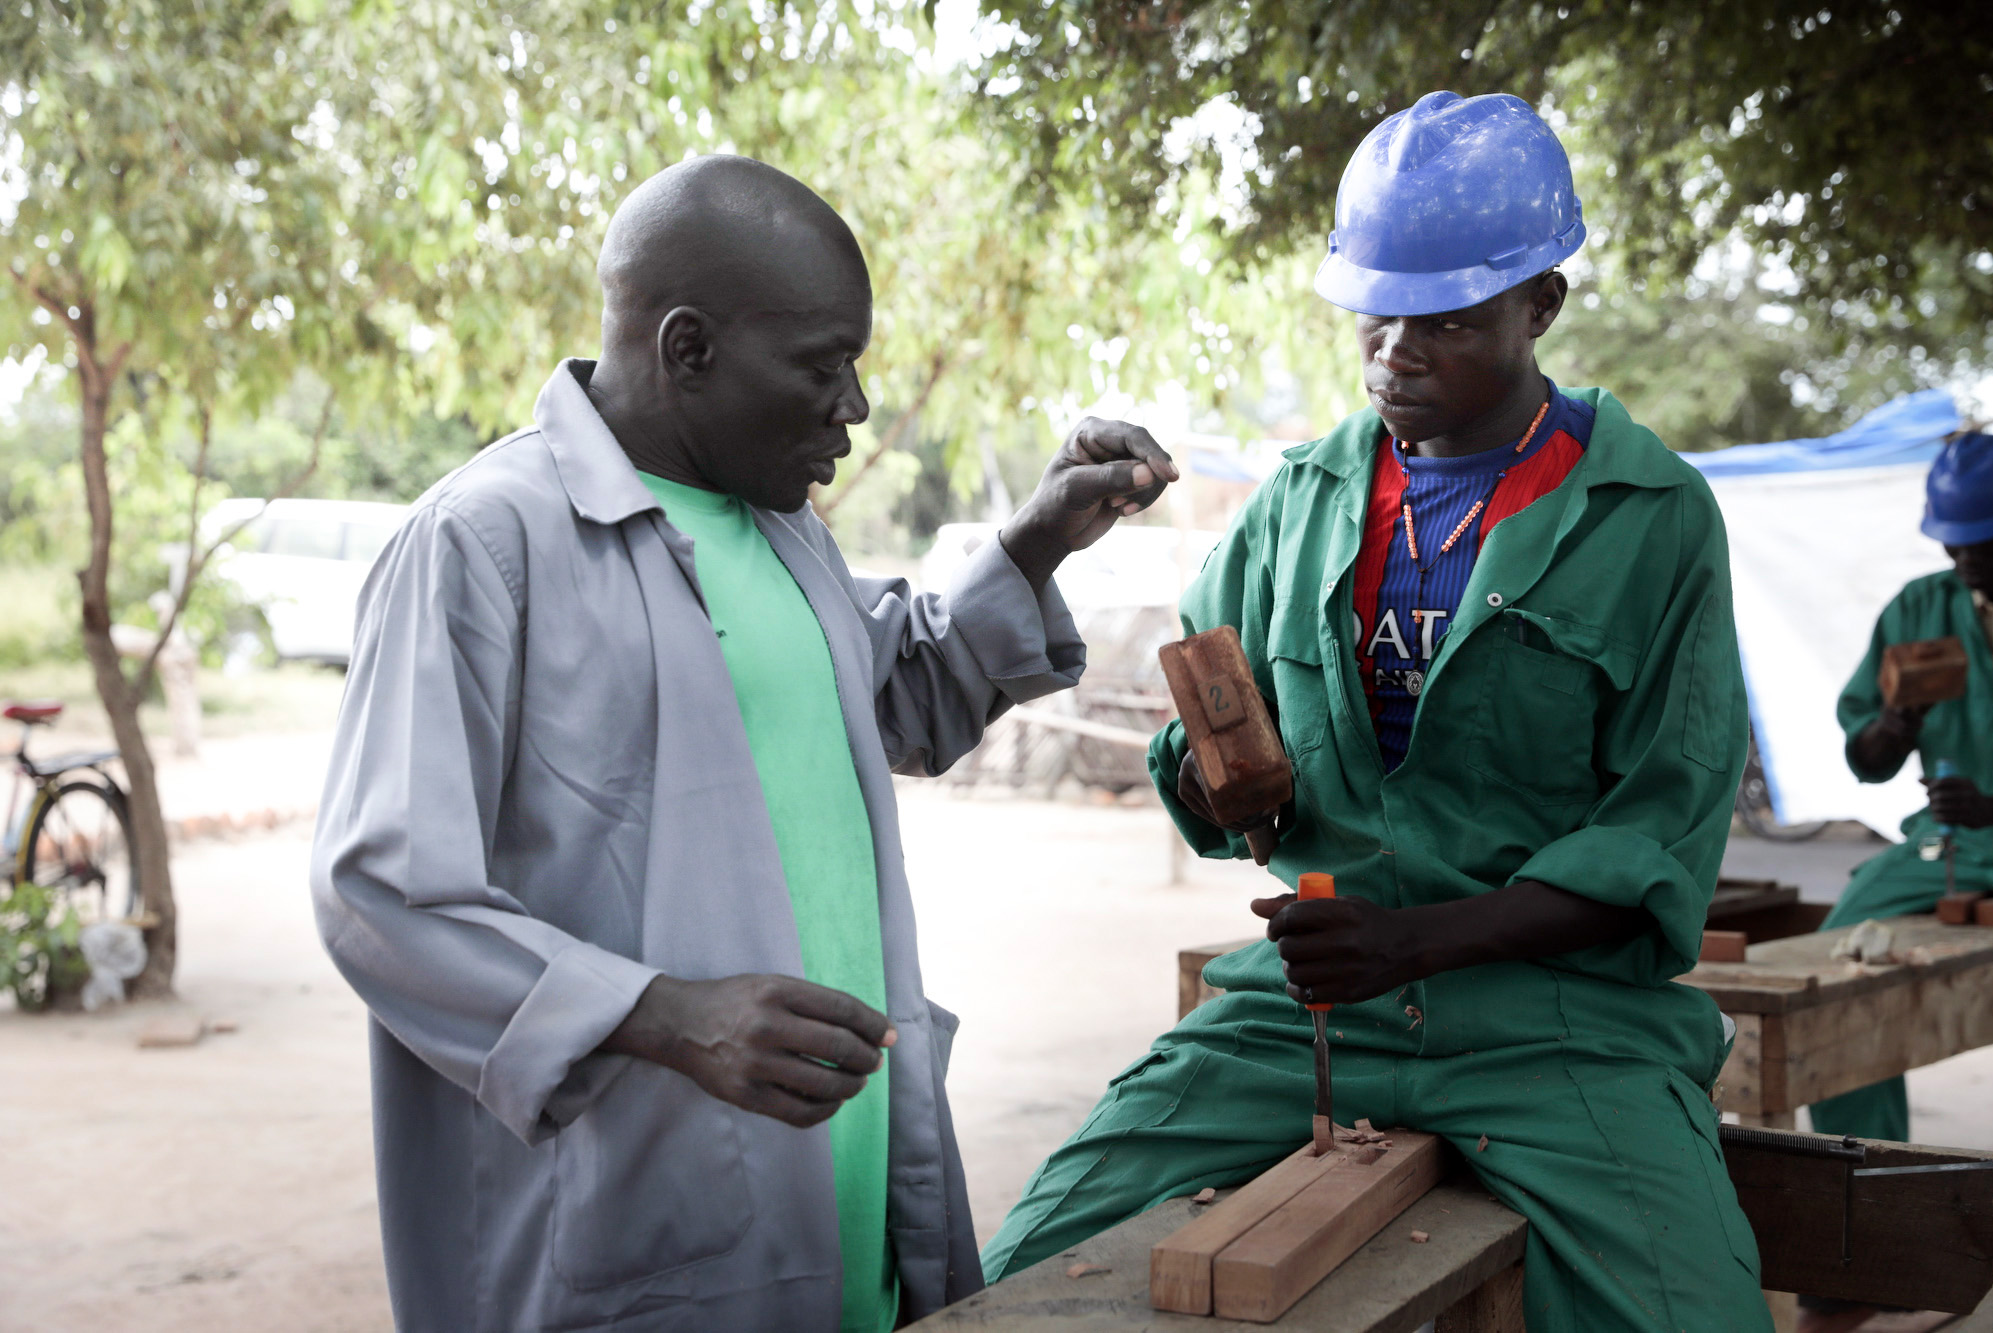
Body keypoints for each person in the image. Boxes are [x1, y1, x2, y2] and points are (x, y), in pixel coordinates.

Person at [310, 154, 1178, 1333]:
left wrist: (1032, 545)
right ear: (686, 349)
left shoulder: (782, 532)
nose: (854, 408)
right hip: (626, 1223)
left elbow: (894, 703)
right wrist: (669, 1015)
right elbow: (383, 891)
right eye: (823, 367)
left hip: (844, 1196)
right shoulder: (482, 545)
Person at [981, 91, 1771, 1331]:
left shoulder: (1650, 517)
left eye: (1444, 322)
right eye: (1376, 316)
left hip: (1556, 1025)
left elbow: (1658, 836)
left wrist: (1416, 942)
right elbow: (1196, 745)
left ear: (1538, 307)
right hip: (1306, 1015)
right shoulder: (1296, 503)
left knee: (1691, 1312)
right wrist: (1213, 778)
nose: (1394, 352)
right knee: (1021, 1270)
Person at [1810, 433, 1993, 1143]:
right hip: (1948, 845)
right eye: (1955, 543)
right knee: (1843, 963)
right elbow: (1868, 754)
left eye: (1985, 540)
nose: (1967, 558)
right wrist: (1891, 729)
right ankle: (1863, 1162)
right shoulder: (1919, 609)